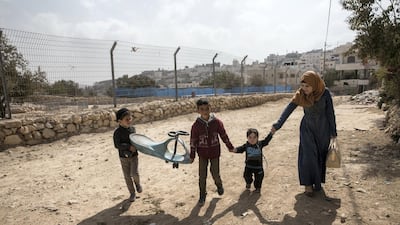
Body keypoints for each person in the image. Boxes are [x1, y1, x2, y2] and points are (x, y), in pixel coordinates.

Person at [271, 71, 337, 197]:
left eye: (307, 86)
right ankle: (308, 185)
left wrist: (333, 132)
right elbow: (289, 109)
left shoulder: (325, 93)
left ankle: (317, 183)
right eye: (302, 86)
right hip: (307, 128)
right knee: (308, 156)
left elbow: (330, 113)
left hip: (323, 129)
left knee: (319, 156)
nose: (304, 89)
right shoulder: (300, 95)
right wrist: (278, 124)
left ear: (314, 84)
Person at [190, 98, 235, 206]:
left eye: (207, 108)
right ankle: (202, 194)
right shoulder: (196, 126)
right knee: (202, 175)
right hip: (202, 154)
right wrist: (192, 155)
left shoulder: (217, 122)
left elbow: (224, 135)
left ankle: (219, 185)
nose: (205, 111)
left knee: (215, 173)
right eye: (202, 109)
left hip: (215, 153)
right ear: (198, 111)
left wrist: (230, 146)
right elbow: (193, 141)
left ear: (210, 108)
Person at [113, 108, 143, 202]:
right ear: (119, 121)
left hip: (134, 156)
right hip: (123, 158)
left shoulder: (132, 129)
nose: (129, 121)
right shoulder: (117, 133)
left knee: (134, 174)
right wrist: (128, 147)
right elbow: (117, 145)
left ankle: (137, 184)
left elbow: (136, 140)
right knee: (127, 176)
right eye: (127, 119)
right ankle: (132, 193)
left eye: (130, 118)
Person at [230, 128, 273, 193]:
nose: (252, 139)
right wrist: (234, 150)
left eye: (254, 137)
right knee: (246, 176)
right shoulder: (246, 145)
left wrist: (271, 133)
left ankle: (258, 188)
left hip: (258, 167)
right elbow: (240, 149)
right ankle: (248, 183)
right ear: (247, 138)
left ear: (257, 138)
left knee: (259, 178)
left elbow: (266, 141)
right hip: (249, 166)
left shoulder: (260, 144)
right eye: (250, 137)